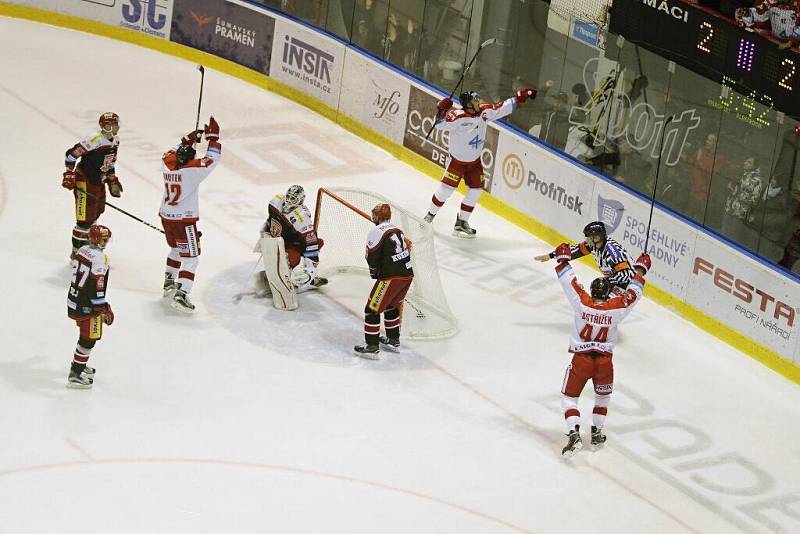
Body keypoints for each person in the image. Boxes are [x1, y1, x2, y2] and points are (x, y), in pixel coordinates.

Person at [552, 243, 649, 456]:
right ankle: (596, 432)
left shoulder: (582, 303)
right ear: (608, 294)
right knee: (602, 398)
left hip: (581, 359)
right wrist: (640, 270)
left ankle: (573, 432)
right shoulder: (617, 308)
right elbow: (633, 294)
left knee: (569, 399)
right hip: (604, 362)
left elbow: (571, 284)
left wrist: (563, 261)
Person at [424, 87, 538, 237]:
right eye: (475, 99)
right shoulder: (456, 116)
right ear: (468, 104)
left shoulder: (485, 111)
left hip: (475, 163)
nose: (479, 101)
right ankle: (429, 217)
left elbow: (502, 108)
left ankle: (461, 222)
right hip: (457, 163)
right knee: (446, 190)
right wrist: (441, 110)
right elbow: (439, 125)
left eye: (478, 98)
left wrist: (520, 97)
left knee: (476, 190)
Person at [159, 116, 222, 313]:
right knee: (192, 257)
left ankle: (169, 281)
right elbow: (211, 159)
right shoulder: (192, 171)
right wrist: (213, 139)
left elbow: (168, 152)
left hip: (166, 216)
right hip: (184, 220)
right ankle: (182, 293)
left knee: (177, 249)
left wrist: (188, 139)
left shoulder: (167, 165)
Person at [354, 203, 414, 359]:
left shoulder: (375, 231)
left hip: (391, 277)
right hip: (407, 274)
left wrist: (374, 273)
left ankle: (372, 346)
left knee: (372, 309)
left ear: (377, 216)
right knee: (391, 306)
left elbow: (371, 256)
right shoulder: (397, 229)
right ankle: (393, 340)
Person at [62, 112, 123, 258]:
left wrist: (112, 179)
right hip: (85, 181)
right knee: (84, 220)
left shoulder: (116, 141)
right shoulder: (94, 139)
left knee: (96, 213)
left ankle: (88, 248)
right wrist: (69, 174)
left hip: (98, 181)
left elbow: (110, 162)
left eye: (114, 125)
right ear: (102, 126)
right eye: (108, 126)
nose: (112, 129)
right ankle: (76, 253)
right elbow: (70, 155)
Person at [253, 185, 328, 301]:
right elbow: (271, 219)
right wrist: (266, 231)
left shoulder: (302, 219)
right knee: (279, 260)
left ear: (300, 201)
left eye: (293, 199)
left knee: (291, 259)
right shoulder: (276, 201)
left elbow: (311, 246)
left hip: (294, 244)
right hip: (280, 238)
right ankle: (276, 276)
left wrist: (310, 272)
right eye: (288, 196)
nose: (288, 200)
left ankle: (308, 279)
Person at [535, 221, 650, 293]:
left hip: (627, 283)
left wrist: (606, 281)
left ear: (597, 237)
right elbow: (574, 251)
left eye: (590, 237)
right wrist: (551, 255)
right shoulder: (593, 245)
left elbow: (624, 275)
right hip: (615, 280)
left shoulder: (612, 252)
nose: (587, 240)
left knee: (602, 305)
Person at [66, 224, 114, 389]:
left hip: (74, 298)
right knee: (88, 339)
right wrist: (103, 308)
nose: (106, 242)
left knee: (85, 335)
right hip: (88, 305)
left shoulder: (82, 249)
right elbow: (98, 286)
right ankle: (75, 374)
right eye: (104, 239)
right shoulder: (101, 259)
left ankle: (79, 363)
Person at [721, 156, 763, 250]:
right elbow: (731, 185)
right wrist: (730, 188)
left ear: (754, 166)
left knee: (733, 237)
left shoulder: (757, 181)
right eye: (746, 161)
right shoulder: (741, 173)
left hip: (739, 213)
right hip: (729, 208)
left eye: (749, 162)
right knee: (723, 233)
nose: (745, 163)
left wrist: (739, 195)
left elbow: (754, 200)